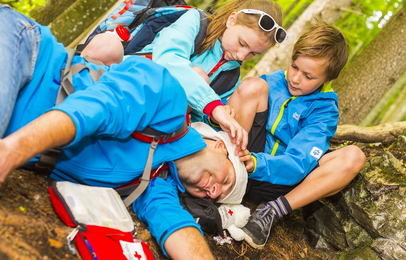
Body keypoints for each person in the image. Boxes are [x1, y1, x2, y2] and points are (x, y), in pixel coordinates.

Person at [0, 6, 249, 259]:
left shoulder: (157, 182)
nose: (213, 191)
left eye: (215, 197)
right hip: (25, 56)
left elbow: (174, 224)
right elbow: (96, 109)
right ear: (220, 145)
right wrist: (12, 150)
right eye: (225, 180)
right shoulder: (170, 102)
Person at [223, 23, 366, 249]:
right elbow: (234, 102)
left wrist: (257, 164)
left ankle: (271, 212)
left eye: (308, 76)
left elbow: (298, 162)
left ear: (327, 79)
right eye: (294, 66)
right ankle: (222, 173)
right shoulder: (273, 81)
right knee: (252, 85)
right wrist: (221, 113)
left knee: (353, 157)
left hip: (277, 182)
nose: (296, 78)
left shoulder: (325, 110)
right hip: (240, 160)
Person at [84, 0, 287, 151]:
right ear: (231, 20)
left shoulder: (232, 78)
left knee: (200, 79)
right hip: (131, 79)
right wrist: (214, 106)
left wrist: (217, 119)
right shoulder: (195, 21)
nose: (242, 55)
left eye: (253, 53)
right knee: (198, 75)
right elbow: (168, 58)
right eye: (242, 43)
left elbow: (199, 121)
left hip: (159, 118)